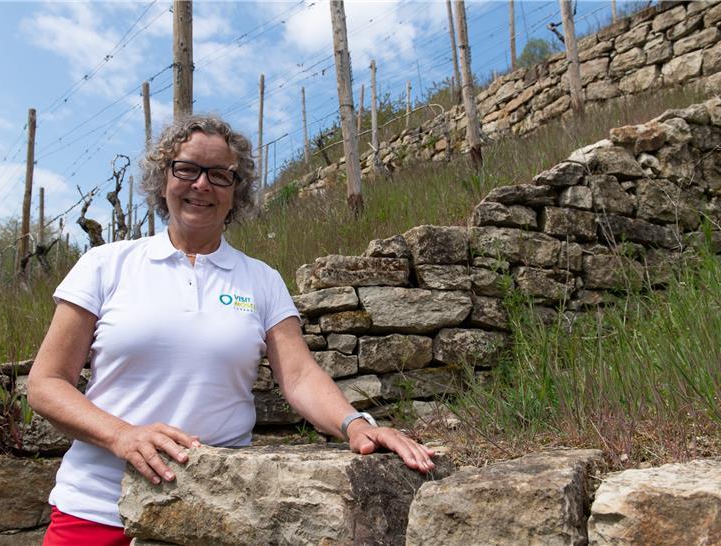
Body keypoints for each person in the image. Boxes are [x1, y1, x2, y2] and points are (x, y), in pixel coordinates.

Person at [27, 114, 435, 546]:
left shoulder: (260, 279)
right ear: (163, 178)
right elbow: (46, 383)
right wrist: (122, 436)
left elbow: (297, 376)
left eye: (219, 174)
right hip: (96, 505)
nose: (201, 185)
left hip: (213, 510)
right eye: (186, 168)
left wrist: (355, 424)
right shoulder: (105, 265)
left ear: (236, 190)